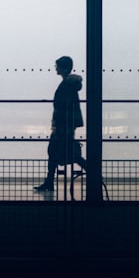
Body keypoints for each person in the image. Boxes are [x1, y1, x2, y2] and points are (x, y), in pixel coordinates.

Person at [33, 55, 87, 193]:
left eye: (57, 66)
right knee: (65, 153)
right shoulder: (69, 84)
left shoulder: (66, 85)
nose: (56, 68)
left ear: (64, 68)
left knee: (55, 152)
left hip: (63, 126)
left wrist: (57, 125)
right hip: (67, 125)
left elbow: (61, 107)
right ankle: (93, 174)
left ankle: (49, 182)